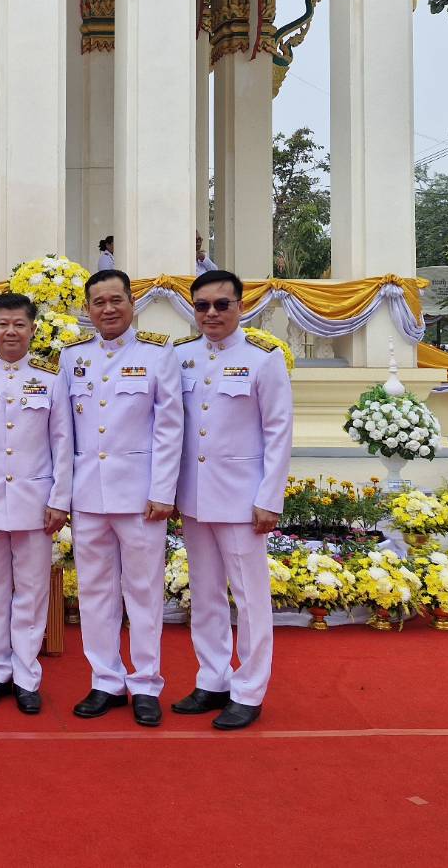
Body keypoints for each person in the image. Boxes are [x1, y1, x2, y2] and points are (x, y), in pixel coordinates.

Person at [58, 269, 182, 728]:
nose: (107, 309)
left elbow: (170, 427)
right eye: (98, 302)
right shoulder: (73, 358)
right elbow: (63, 433)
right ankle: (105, 679)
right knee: (94, 592)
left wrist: (162, 491)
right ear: (88, 310)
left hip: (140, 496)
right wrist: (64, 493)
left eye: (116, 300)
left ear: (132, 303)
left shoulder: (156, 353)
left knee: (144, 591)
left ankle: (146, 682)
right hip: (89, 495)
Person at [171, 269, 294, 731]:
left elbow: (278, 431)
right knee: (203, 594)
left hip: (243, 498)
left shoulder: (264, 358)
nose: (212, 314)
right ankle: (212, 678)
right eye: (202, 306)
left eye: (222, 304)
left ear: (240, 307)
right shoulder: (181, 357)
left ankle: (250, 689)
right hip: (194, 496)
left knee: (249, 595)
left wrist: (270, 497)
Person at [0, 292, 72, 715]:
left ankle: (26, 675)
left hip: (36, 504)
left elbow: (63, 444)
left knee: (32, 592)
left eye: (19, 324)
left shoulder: (51, 380)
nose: (10, 331)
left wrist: (60, 499)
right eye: (2, 323)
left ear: (32, 330)